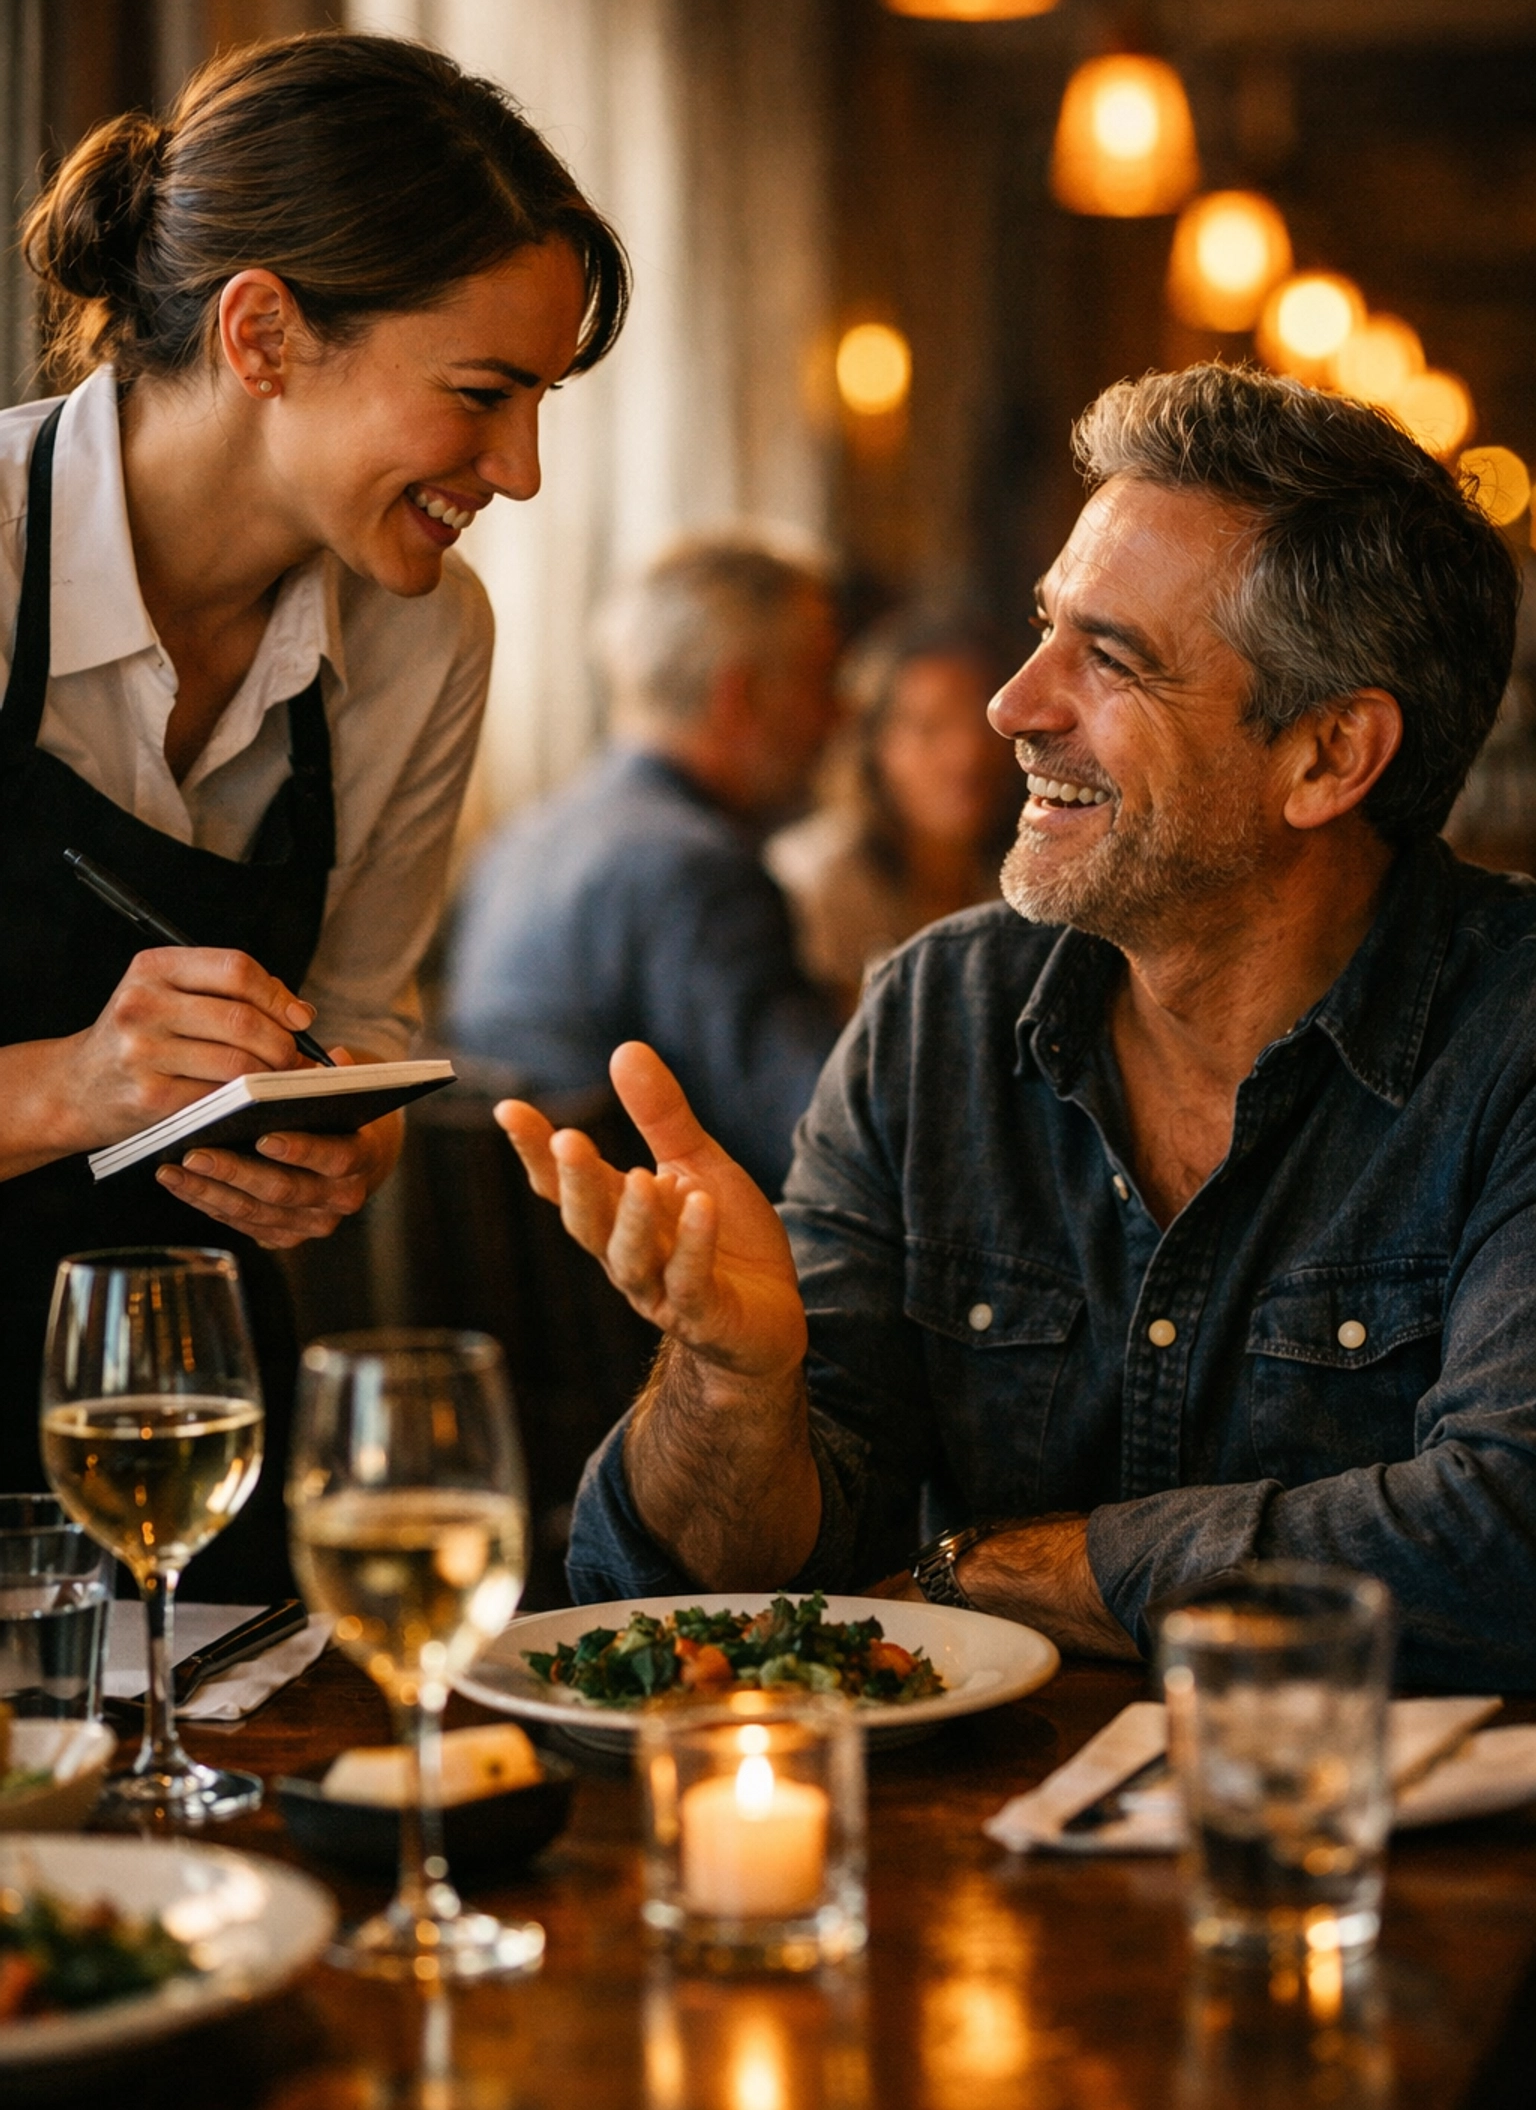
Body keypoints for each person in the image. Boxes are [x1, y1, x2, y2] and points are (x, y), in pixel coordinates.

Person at [496, 363, 1536, 1692]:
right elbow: (702, 1592)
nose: (1014, 704)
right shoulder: (936, 1018)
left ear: (1327, 756)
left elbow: (1506, 1539)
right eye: (1048, 626)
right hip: (978, 1823)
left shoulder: (1511, 1037)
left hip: (1361, 1823)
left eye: (1113, 660)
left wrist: (1003, 1572)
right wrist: (731, 1388)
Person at [1, 29, 628, 1595]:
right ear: (265, 333)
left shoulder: (428, 638)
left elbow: (354, 1026)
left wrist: (344, 1148)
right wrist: (69, 1088)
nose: (521, 470)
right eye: (483, 394)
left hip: (195, 1429)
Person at [445, 532, 842, 1196]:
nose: (838, 715)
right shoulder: (700, 872)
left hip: (512, 1245)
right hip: (641, 1252)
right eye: (820, 680)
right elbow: (821, 1141)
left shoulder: (516, 840)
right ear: (740, 696)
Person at [767, 611, 1020, 1014]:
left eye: (983, 723)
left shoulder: (1028, 877)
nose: (967, 754)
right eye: (930, 728)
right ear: (875, 744)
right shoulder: (814, 884)